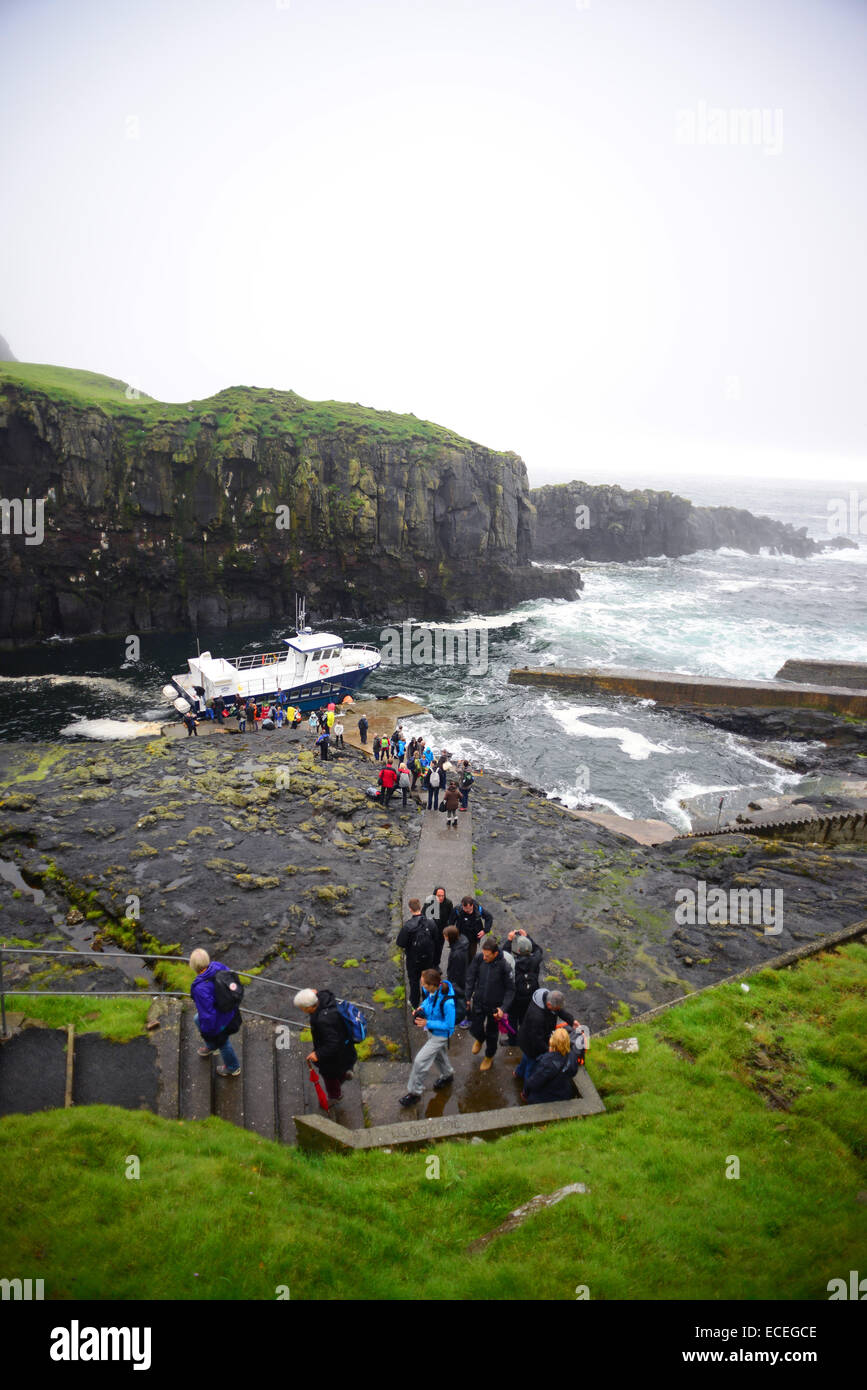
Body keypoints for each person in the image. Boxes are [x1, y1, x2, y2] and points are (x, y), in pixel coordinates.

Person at [399, 968, 457, 1107]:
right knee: (438, 1055)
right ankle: (447, 1074)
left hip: (440, 1035)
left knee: (420, 1061)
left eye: (424, 984)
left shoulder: (448, 1003)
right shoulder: (432, 991)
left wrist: (427, 1022)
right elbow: (428, 1002)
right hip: (432, 1031)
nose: (422, 987)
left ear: (433, 984)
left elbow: (449, 1026)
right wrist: (421, 1008)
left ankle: (414, 1093)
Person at [293, 988, 357, 1102]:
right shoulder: (325, 999)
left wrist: (317, 1054)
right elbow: (325, 992)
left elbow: (333, 1043)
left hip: (333, 1057)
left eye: (302, 1008)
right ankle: (346, 1073)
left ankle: (335, 1096)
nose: (301, 1010)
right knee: (342, 1066)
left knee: (329, 1076)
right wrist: (315, 993)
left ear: (309, 1008)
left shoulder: (323, 1021)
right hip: (346, 1047)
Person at [465, 935, 515, 1072]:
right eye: (483, 954)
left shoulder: (505, 967)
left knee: (492, 1034)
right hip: (479, 1001)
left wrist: (503, 1008)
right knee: (475, 1027)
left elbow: (511, 990)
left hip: (495, 1007)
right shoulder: (479, 958)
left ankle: (489, 1056)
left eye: (487, 956)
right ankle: (480, 1038)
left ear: (495, 953)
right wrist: (468, 997)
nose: (484, 958)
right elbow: (471, 977)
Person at [190, 948, 242, 1076]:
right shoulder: (217, 966)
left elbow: (208, 1015)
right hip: (230, 1011)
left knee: (222, 1042)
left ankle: (233, 1067)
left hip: (220, 1019)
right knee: (197, 1019)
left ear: (193, 966)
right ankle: (211, 1046)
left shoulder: (200, 988)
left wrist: (207, 1032)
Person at [514, 988, 576, 1083]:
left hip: (527, 1037)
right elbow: (537, 1041)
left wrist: (572, 1021)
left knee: (526, 1058)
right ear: (549, 1005)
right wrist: (548, 1050)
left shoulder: (547, 997)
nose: (558, 1010)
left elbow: (559, 1010)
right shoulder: (537, 1017)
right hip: (531, 1044)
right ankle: (527, 1090)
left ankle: (518, 1073)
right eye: (557, 1008)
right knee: (531, 1067)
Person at [524, 1025, 587, 1104]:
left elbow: (534, 1082)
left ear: (552, 1043)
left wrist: (525, 1093)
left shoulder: (547, 1062)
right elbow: (573, 1071)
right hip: (564, 1093)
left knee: (532, 1097)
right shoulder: (572, 1055)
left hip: (546, 1097)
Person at [397, 898, 441, 1009]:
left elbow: (400, 943)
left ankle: (414, 1003)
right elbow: (437, 940)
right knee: (426, 980)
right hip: (428, 959)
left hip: (413, 960)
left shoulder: (408, 926)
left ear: (410, 909)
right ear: (420, 907)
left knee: (414, 981)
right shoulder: (431, 923)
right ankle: (427, 1002)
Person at [506, 931, 543, 1035]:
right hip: (530, 996)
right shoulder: (535, 960)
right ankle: (523, 1037)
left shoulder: (513, 963)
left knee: (512, 1019)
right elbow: (539, 950)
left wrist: (509, 940)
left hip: (515, 997)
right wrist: (528, 936)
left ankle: (513, 1040)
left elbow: (503, 955)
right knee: (525, 1018)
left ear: (518, 950)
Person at [450, 896, 493, 963]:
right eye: (464, 909)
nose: (466, 911)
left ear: (472, 905)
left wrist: (485, 931)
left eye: (468, 909)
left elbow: (489, 917)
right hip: (460, 937)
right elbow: (450, 922)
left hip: (473, 938)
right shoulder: (457, 910)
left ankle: (469, 970)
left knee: (471, 957)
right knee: (459, 956)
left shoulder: (479, 909)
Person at [443, 924, 470, 1027]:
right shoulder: (462, 942)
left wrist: (452, 983)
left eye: (445, 936)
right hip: (463, 976)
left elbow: (456, 971)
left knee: (461, 998)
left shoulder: (457, 954)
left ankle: (465, 1019)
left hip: (458, 980)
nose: (444, 938)